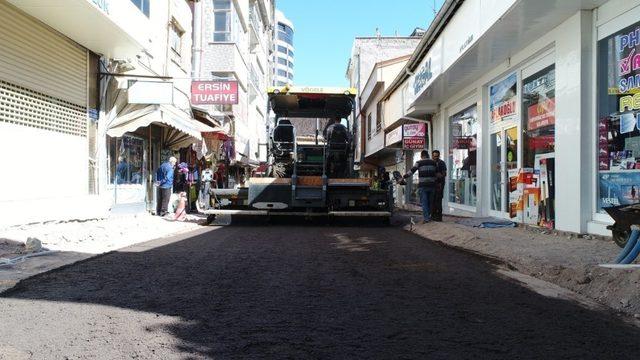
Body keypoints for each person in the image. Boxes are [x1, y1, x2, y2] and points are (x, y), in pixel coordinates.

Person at [404, 150, 438, 223]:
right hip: (432, 185)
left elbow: (411, 171)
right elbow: (437, 174)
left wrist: (404, 177)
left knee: (424, 202)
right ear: (428, 155)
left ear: (422, 156)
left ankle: (426, 219)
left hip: (423, 186)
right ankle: (428, 216)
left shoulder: (419, 162)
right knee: (430, 202)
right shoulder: (434, 163)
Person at [432, 150, 447, 222]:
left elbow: (444, 173)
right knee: (433, 200)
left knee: (438, 200)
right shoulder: (431, 163)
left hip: (440, 184)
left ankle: (439, 217)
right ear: (432, 156)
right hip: (432, 184)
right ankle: (433, 216)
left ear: (439, 156)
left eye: (437, 156)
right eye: (434, 156)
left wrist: (440, 176)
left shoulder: (441, 163)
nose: (436, 157)